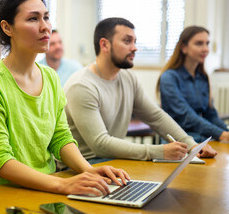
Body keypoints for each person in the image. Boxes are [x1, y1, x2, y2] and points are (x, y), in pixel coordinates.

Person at [0, 0, 130, 197]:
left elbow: (60, 137)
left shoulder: (50, 77)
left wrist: (89, 170)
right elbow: (0, 161)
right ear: (7, 27)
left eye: (47, 17)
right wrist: (63, 185)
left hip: (45, 187)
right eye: (33, 19)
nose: (45, 27)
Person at [62, 18, 217, 165]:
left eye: (135, 41)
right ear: (105, 45)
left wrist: (191, 145)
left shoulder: (128, 77)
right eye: (127, 41)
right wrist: (159, 151)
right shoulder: (82, 85)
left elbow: (156, 117)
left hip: (112, 160)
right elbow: (100, 144)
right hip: (84, 165)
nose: (135, 47)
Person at [157, 26, 229, 143]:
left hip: (202, 139)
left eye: (207, 43)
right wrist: (221, 134)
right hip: (178, 143)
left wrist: (226, 132)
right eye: (199, 43)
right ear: (184, 48)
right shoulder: (169, 78)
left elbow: (211, 116)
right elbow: (187, 117)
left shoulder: (203, 77)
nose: (205, 48)